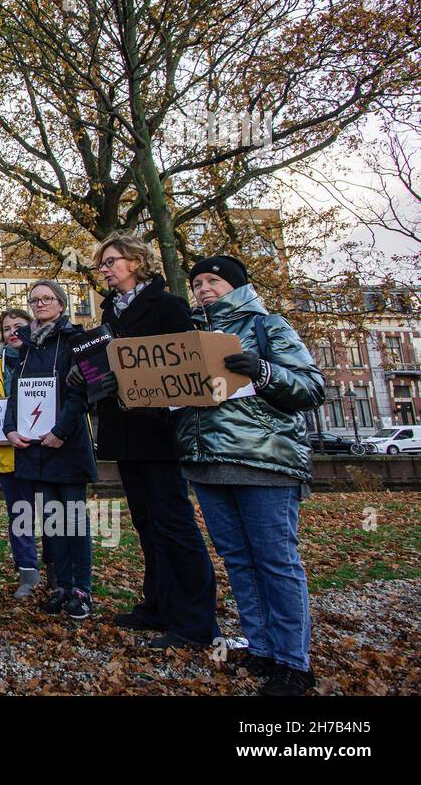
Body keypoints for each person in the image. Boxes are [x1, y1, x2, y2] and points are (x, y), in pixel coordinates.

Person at [178, 255, 324, 696]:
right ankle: (260, 647)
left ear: (235, 286)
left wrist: (262, 371)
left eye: (213, 281)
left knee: (276, 562)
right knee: (239, 560)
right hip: (209, 464)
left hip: (265, 462)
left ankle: (293, 663)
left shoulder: (269, 326)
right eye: (197, 282)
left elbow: (311, 387)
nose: (203, 288)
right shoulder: (189, 338)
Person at [87, 233, 220, 650]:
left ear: (135, 261)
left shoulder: (168, 306)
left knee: (174, 524)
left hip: (159, 433)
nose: (104, 269)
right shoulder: (109, 312)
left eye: (111, 261)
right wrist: (90, 378)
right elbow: (105, 365)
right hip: (124, 432)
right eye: (101, 264)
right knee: (146, 523)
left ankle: (197, 622)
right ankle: (159, 604)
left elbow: (187, 366)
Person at [1, 281, 97, 620]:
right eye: (34, 300)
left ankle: (81, 589)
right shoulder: (24, 347)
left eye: (47, 298)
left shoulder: (77, 341)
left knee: (73, 519)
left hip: (66, 445)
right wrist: (9, 428)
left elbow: (81, 393)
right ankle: (61, 585)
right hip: (33, 447)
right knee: (52, 521)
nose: (40, 304)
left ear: (61, 303)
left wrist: (61, 431)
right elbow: (15, 393)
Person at [0, 308, 42, 597]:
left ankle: (59, 570)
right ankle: (28, 573)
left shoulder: (45, 359)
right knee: (20, 515)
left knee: (55, 513)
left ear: (32, 327)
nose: (12, 332)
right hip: (8, 453)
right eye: (6, 328)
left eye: (19, 325)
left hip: (45, 450)